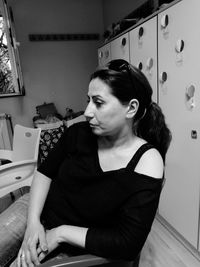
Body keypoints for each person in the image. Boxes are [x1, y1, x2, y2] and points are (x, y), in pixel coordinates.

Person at [0, 59, 171, 267]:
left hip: (76, 241)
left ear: (131, 108)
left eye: (98, 103)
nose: (88, 111)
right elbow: (44, 173)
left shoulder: (147, 161)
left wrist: (61, 234)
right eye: (88, 100)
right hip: (35, 207)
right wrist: (33, 221)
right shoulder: (77, 133)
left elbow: (128, 244)